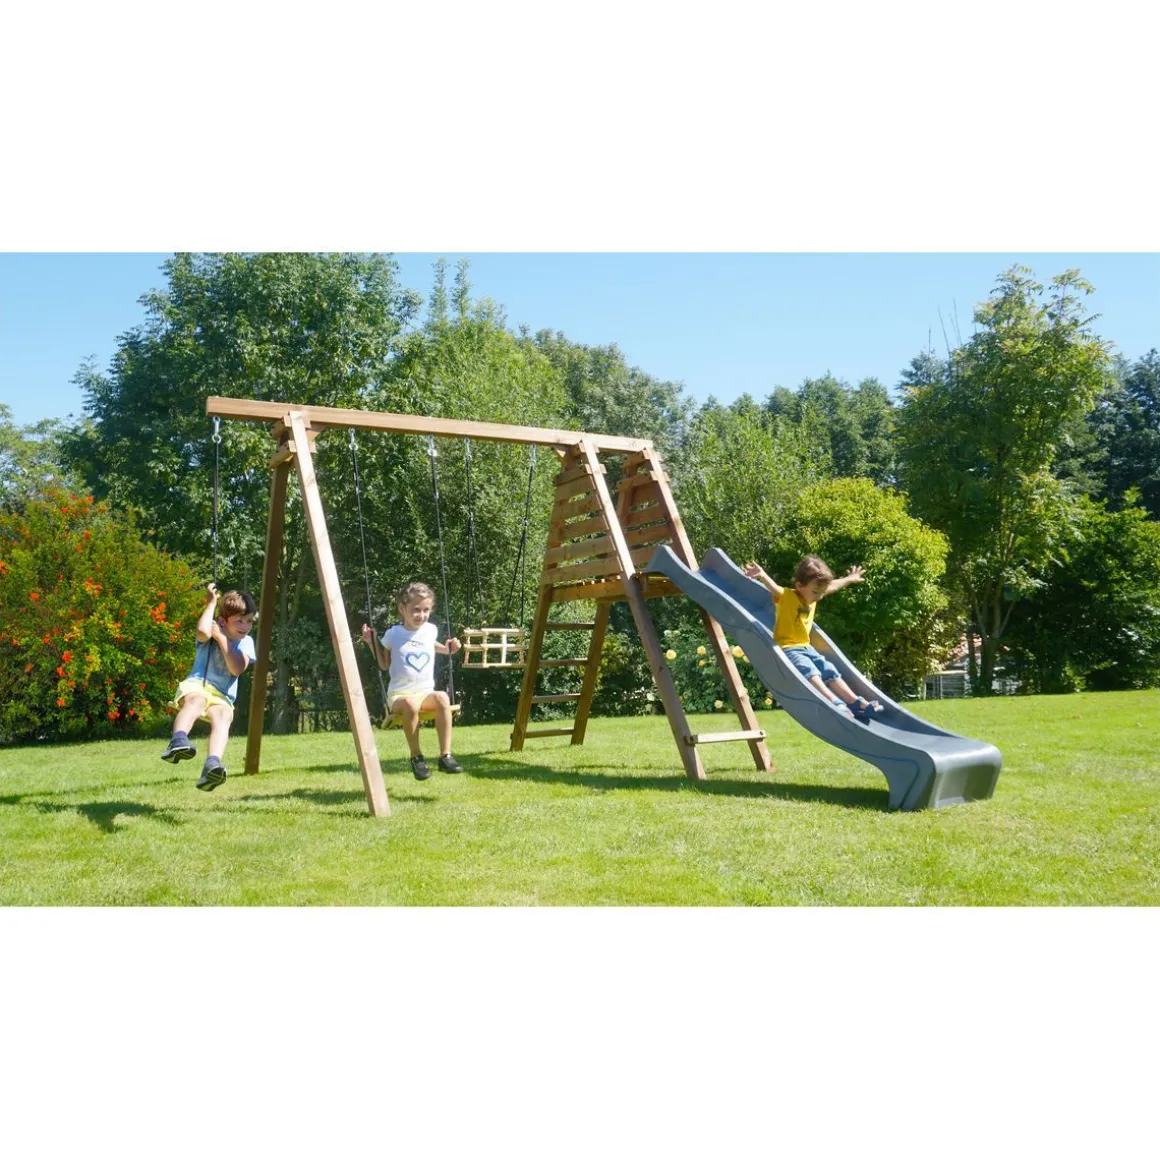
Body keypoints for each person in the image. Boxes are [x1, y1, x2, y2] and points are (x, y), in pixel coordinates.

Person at [743, 555, 884, 721]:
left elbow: (833, 586)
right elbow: (774, 588)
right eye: (816, 592)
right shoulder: (788, 596)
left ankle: (854, 702)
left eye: (821, 593)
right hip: (788, 648)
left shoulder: (813, 595)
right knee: (809, 670)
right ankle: (833, 701)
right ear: (799, 586)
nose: (819, 596)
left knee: (829, 669)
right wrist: (762, 575)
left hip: (806, 647)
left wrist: (850, 579)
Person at [361, 581, 463, 780]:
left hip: (425, 693)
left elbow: (432, 645)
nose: (421, 615)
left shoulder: (430, 630)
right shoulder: (393, 634)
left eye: (426, 610)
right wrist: (370, 642)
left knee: (442, 697)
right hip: (400, 695)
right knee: (411, 704)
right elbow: (384, 664)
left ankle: (446, 756)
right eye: (416, 610)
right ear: (402, 609)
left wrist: (448, 649)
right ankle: (417, 758)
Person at [161, 584, 258, 789]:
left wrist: (222, 638)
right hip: (197, 685)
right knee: (196, 701)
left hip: (222, 696)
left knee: (223, 717)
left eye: (249, 620)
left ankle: (212, 765)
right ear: (223, 621)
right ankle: (178, 740)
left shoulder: (246, 642)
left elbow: (236, 668)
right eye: (239, 620)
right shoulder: (210, 632)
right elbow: (202, 631)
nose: (245, 626)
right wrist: (211, 604)